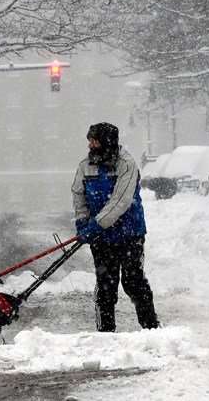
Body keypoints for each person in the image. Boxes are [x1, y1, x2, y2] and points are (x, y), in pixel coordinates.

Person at [71, 122, 159, 332]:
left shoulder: (126, 164)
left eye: (95, 141)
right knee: (105, 284)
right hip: (101, 238)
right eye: (89, 141)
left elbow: (120, 201)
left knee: (133, 281)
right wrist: (82, 220)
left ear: (107, 143)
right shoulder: (86, 165)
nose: (90, 145)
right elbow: (78, 193)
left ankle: (151, 328)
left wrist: (95, 225)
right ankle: (105, 331)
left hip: (129, 234)